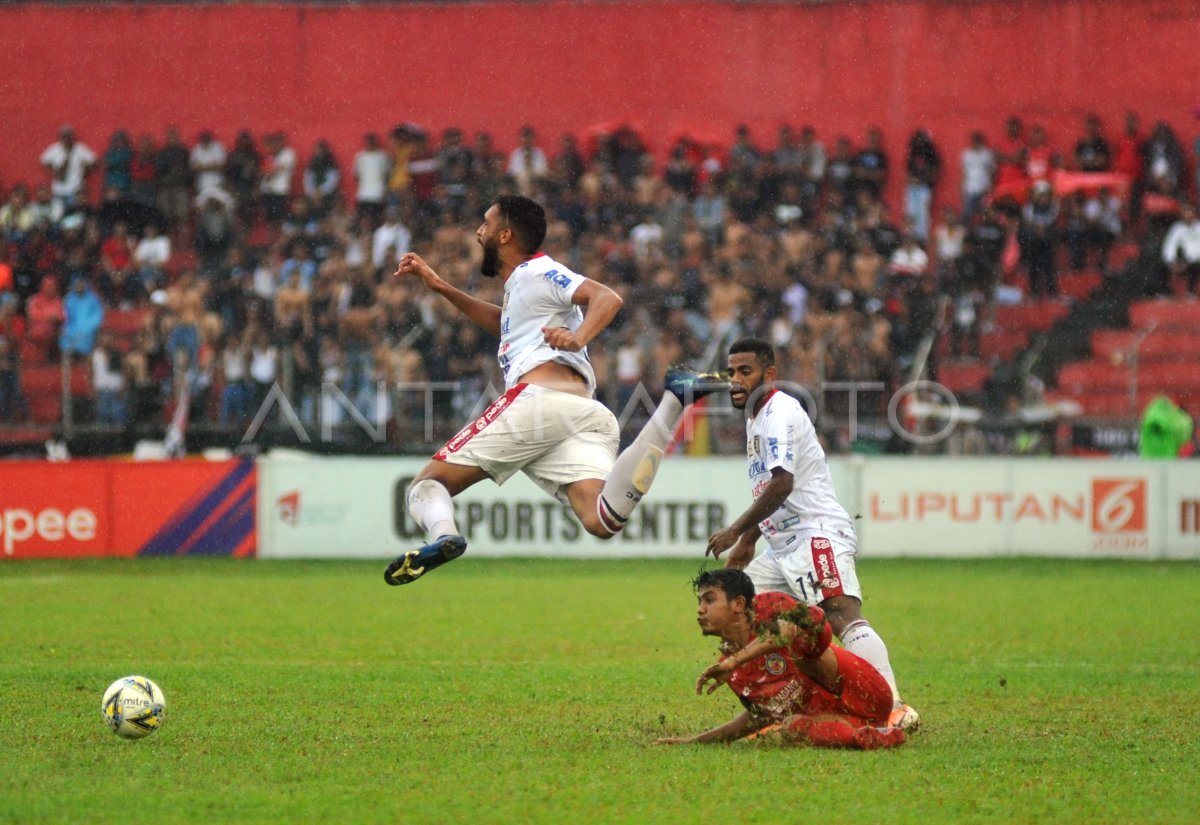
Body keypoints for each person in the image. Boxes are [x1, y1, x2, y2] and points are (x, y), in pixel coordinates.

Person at [383, 194, 725, 586]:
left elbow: (607, 298)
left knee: (427, 486)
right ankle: (672, 404)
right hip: (586, 414)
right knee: (601, 518)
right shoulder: (523, 287)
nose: (479, 232)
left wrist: (577, 338)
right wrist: (441, 287)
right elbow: (506, 325)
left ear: (506, 234)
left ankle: (443, 535)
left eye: (486, 223)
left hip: (538, 403)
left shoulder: (537, 272)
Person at [705, 337, 919, 730]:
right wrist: (751, 540)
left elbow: (783, 484)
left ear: (769, 375)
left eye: (745, 371)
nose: (735, 380)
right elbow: (767, 487)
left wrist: (736, 530)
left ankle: (894, 707)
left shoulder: (780, 411)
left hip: (814, 532)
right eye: (731, 372)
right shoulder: (755, 416)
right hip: (781, 544)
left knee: (841, 614)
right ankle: (782, 706)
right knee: (744, 614)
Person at [655, 569, 905, 749]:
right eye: (700, 602)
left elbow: (785, 632)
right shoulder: (731, 669)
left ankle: (880, 723)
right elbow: (760, 716)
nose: (700, 609)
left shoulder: (768, 605)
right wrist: (693, 742)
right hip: (842, 718)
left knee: (802, 651)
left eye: (709, 600)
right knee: (789, 726)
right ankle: (869, 736)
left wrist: (734, 661)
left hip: (865, 692)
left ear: (738, 604)